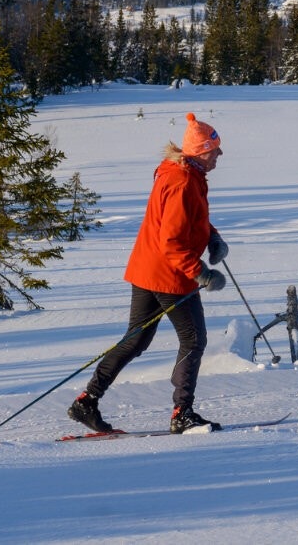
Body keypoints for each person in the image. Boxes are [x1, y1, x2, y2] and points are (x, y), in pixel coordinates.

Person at [67, 113, 230, 434]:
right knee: (194, 340)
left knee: (135, 340)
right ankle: (182, 413)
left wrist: (211, 235)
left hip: (147, 269)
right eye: (214, 150)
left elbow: (183, 220)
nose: (219, 155)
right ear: (199, 152)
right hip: (170, 274)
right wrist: (202, 273)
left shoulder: (182, 173)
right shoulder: (183, 181)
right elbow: (171, 240)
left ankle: (87, 401)